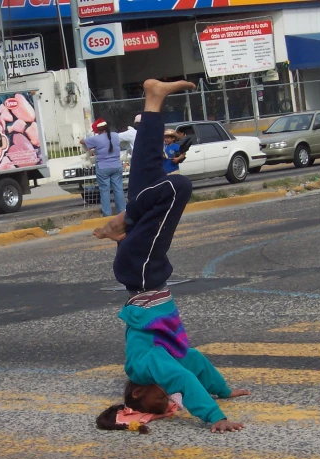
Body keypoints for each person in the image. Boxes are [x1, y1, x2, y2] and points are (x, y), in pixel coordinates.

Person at [92, 79, 249, 434]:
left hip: (142, 270)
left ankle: (124, 221)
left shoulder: (147, 368)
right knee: (149, 176)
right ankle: (153, 99)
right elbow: (194, 364)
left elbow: (182, 380)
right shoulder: (161, 359)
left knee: (179, 187)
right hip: (141, 272)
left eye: (158, 402)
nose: (168, 401)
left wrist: (215, 417)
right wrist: (222, 391)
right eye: (168, 405)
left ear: (138, 392)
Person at [80, 119, 126, 217]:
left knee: (104, 191)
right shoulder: (115, 136)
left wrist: (85, 138)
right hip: (117, 166)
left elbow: (82, 141)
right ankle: (122, 213)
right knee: (118, 189)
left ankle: (107, 214)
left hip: (103, 168)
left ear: (98, 130)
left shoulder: (96, 139)